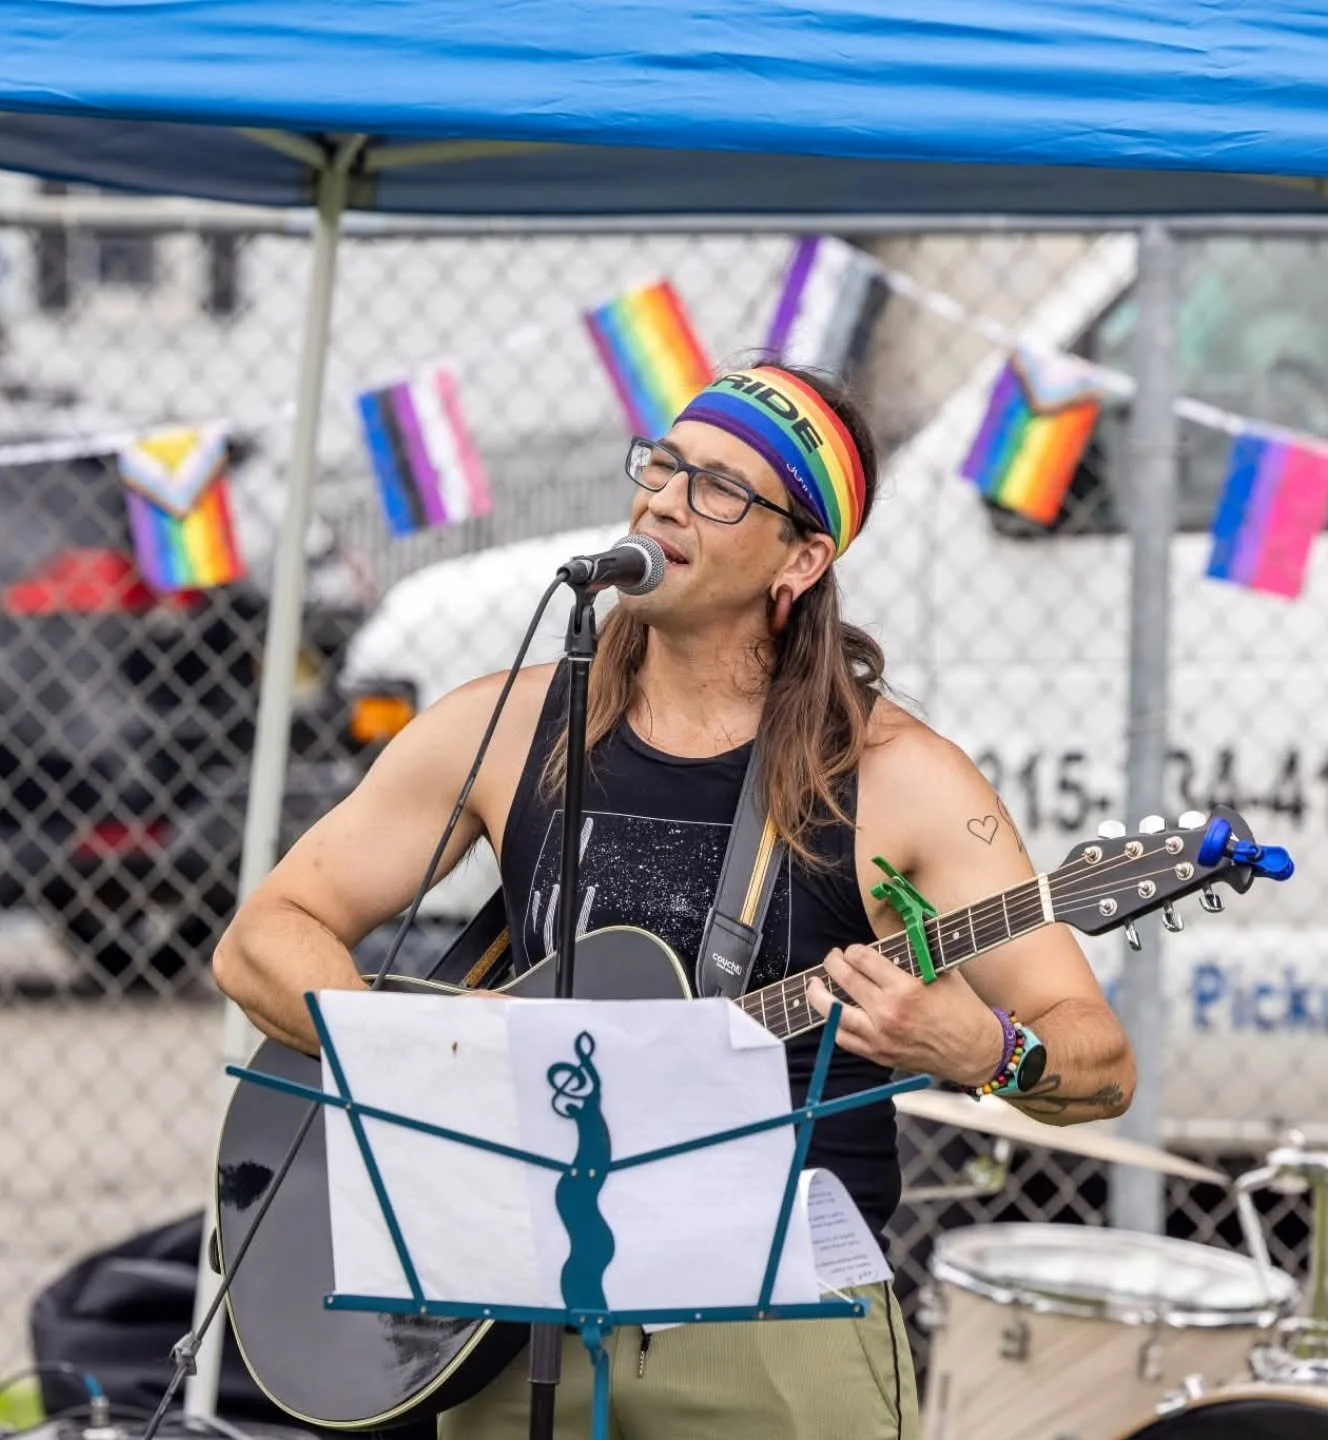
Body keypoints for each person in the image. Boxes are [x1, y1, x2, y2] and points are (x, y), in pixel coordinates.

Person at [213, 361, 1136, 1440]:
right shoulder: (506, 725)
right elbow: (263, 940)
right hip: (517, 1302)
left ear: (803, 556)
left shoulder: (902, 780)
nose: (662, 500)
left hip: (777, 1317)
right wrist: (434, 1044)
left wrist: (987, 1049)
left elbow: (1099, 1059)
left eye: (719, 488)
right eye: (663, 466)